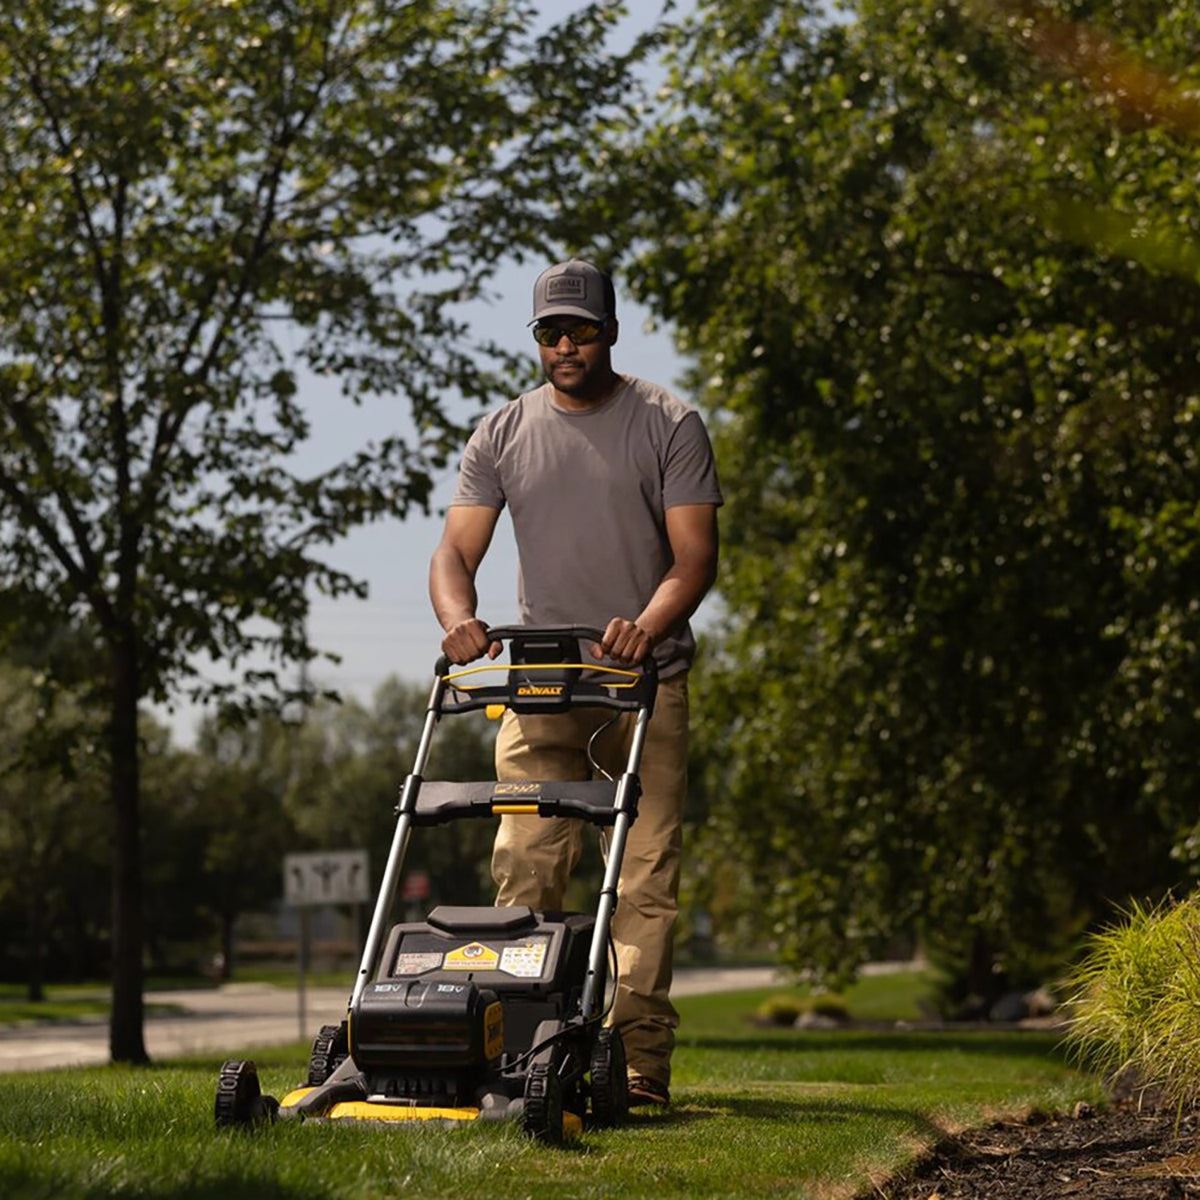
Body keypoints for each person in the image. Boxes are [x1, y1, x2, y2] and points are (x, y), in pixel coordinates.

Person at [428, 258, 721, 1107]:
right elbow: (454, 552)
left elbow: (695, 558)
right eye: (550, 332)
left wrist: (647, 624)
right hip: (542, 684)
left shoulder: (668, 422)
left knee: (642, 880)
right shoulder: (502, 432)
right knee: (523, 863)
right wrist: (458, 617)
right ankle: (522, 1048)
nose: (565, 346)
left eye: (580, 331)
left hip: (642, 687)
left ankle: (638, 1065)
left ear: (609, 332)